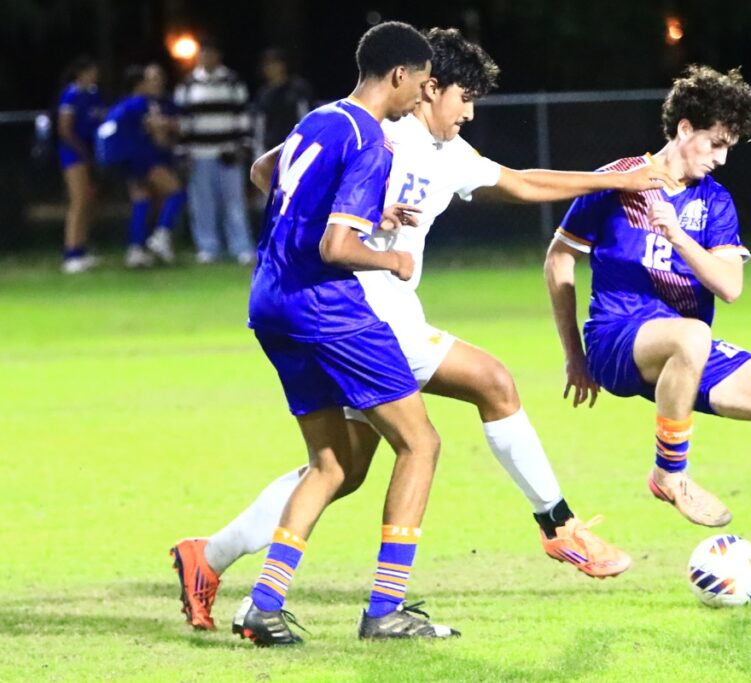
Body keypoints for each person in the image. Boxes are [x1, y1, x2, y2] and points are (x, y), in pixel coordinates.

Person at [170, 27, 678, 632]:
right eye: (464, 98)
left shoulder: (441, 148)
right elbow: (269, 173)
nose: (468, 113)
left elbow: (521, 182)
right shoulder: (378, 131)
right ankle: (555, 529)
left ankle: (212, 556)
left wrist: (613, 181)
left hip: (336, 307)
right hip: (357, 307)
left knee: (341, 466)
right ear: (423, 85)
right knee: (485, 388)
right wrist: (360, 234)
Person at [543, 65, 751, 597]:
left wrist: (676, 235)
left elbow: (730, 286)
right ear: (685, 128)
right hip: (617, 339)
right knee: (690, 335)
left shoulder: (714, 201)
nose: (720, 158)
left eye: (729, 148)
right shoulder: (620, 179)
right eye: (715, 143)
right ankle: (669, 474)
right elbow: (559, 260)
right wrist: (574, 355)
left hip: (685, 350)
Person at [222, 21, 458, 646]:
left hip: (269, 302)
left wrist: (361, 212)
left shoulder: (320, 118)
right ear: (400, 76)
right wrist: (390, 256)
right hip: (327, 310)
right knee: (421, 445)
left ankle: (262, 606)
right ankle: (385, 610)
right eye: (424, 84)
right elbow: (335, 246)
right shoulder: (374, 142)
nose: (424, 98)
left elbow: (263, 173)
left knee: (327, 464)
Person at [174, 38, 255, 264]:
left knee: (234, 203)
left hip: (227, 152)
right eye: (203, 55)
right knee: (202, 204)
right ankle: (208, 247)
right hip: (199, 154)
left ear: (218, 57)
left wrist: (243, 147)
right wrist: (183, 152)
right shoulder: (188, 84)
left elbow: (243, 116)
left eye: (211, 54)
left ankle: (240, 246)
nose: (207, 59)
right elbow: (183, 122)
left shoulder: (232, 81)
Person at [99, 64, 186, 267]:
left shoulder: (122, 104)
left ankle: (135, 249)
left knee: (142, 200)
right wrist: (173, 125)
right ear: (140, 84)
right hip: (141, 157)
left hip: (122, 160)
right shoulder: (142, 103)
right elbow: (156, 129)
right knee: (176, 192)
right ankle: (161, 236)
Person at [56, 56, 104, 274]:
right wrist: (81, 150)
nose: (95, 75)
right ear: (81, 73)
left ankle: (81, 249)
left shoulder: (93, 94)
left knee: (89, 199)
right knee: (78, 200)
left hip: (89, 151)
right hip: (73, 151)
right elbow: (65, 129)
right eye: (92, 71)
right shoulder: (71, 94)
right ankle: (71, 253)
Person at [254, 48, 313, 154]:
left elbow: (308, 119)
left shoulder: (298, 89)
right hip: (272, 151)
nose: (271, 68)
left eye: (275, 63)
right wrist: (259, 153)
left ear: (283, 65)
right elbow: (259, 128)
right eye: (267, 64)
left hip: (297, 149)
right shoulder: (262, 94)